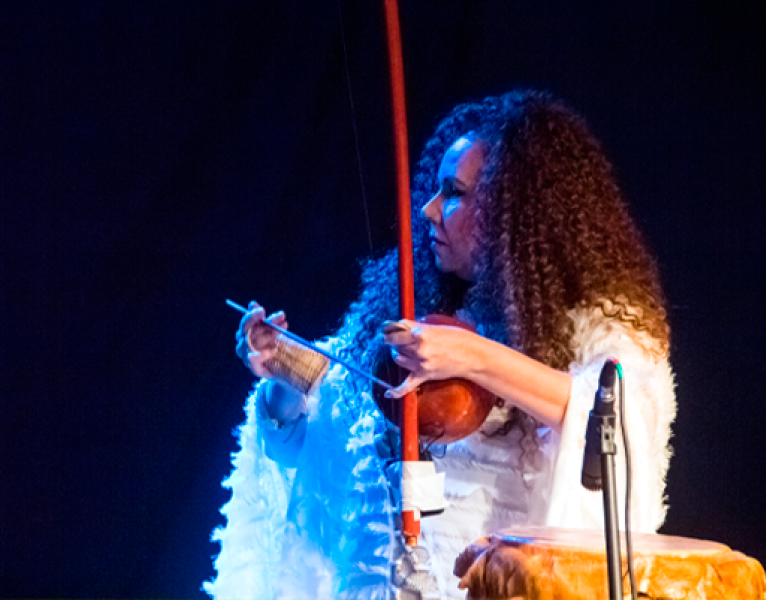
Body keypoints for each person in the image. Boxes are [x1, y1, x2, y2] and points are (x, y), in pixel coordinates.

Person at [204, 89, 676, 599]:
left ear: (514, 212)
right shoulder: (434, 316)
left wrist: (474, 358)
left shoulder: (597, 327)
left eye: (453, 192)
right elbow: (323, 416)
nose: (428, 210)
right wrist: (282, 367)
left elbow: (611, 418)